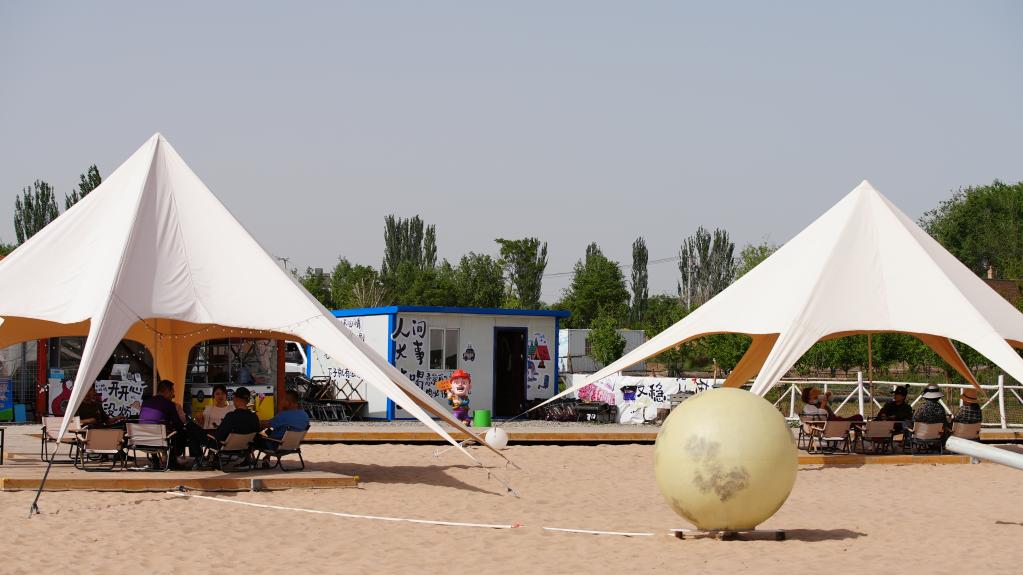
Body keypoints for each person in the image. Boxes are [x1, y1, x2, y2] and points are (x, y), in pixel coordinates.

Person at [138, 380, 188, 463]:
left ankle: (156, 460)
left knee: (153, 427)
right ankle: (172, 460)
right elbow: (178, 424)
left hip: (142, 440)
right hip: (159, 442)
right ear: (167, 391)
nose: (173, 395)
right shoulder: (169, 404)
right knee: (180, 432)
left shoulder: (145, 402)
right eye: (172, 392)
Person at [257, 389, 310, 464]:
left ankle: (247, 459)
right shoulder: (304, 415)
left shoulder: (284, 416)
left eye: (283, 399)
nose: (281, 401)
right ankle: (267, 457)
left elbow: (265, 424)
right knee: (270, 432)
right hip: (293, 445)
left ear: (288, 402)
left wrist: (255, 421)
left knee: (254, 437)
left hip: (277, 445)